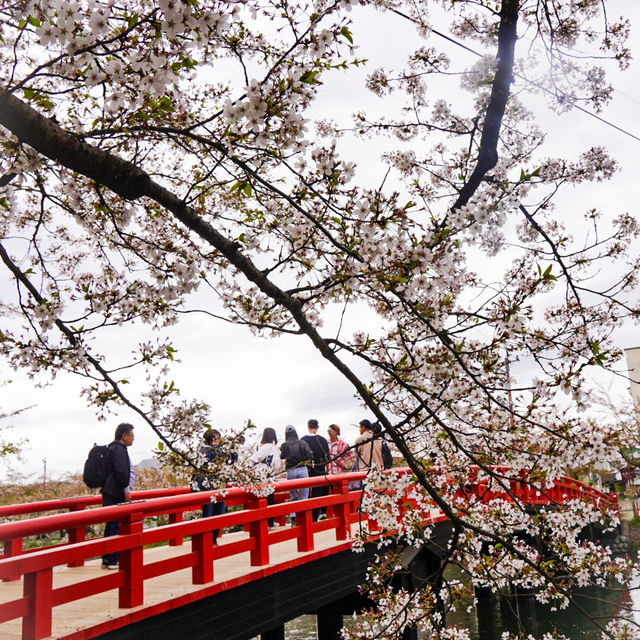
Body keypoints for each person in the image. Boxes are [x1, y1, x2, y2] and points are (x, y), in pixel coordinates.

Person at [101, 422, 134, 569]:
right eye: (131, 435)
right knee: (115, 525)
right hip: (116, 492)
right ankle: (113, 559)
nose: (133, 439)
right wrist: (126, 490)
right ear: (124, 436)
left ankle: (106, 559)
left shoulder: (110, 448)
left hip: (108, 491)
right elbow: (122, 473)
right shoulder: (120, 450)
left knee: (110, 525)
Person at [196, 429, 226, 545]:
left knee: (219, 514)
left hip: (220, 486)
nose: (217, 441)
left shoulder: (220, 451)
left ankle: (213, 539)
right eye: (214, 438)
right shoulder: (203, 451)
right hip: (207, 486)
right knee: (208, 514)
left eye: (218, 438)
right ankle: (207, 540)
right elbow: (208, 458)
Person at [249, 427, 282, 527]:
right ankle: (269, 522)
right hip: (267, 476)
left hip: (257, 476)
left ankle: (261, 523)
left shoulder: (259, 446)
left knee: (259, 501)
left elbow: (254, 459)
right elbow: (277, 465)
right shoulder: (272, 447)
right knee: (269, 500)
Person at [280, 425, 312, 526]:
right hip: (302, 469)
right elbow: (310, 454)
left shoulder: (285, 444)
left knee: (293, 496)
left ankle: (294, 519)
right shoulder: (302, 443)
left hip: (291, 470)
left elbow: (282, 456)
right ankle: (305, 518)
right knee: (304, 495)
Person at [301, 418, 330, 521]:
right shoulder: (322, 440)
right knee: (318, 493)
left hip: (307, 470)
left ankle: (308, 517)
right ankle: (316, 515)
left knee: (306, 493)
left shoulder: (303, 440)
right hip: (320, 470)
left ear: (308, 427)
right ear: (317, 427)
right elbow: (328, 458)